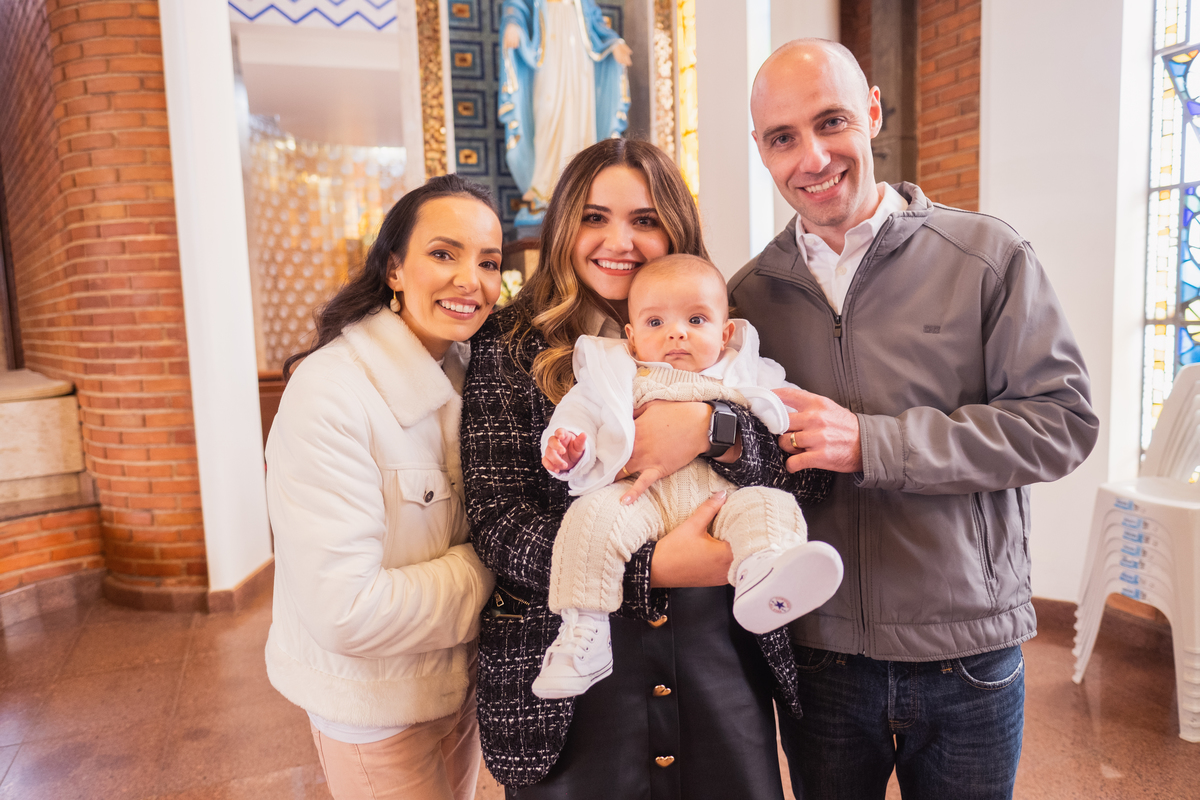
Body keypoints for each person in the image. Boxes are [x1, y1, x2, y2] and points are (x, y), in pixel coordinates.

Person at [730, 39, 1100, 800]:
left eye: (830, 122)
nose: (813, 157)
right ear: (762, 151)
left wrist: (875, 443)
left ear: (871, 112)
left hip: (968, 655)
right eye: (782, 138)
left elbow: (1062, 422)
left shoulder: (988, 256)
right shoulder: (748, 298)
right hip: (819, 652)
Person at [461, 137, 831, 798]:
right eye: (595, 217)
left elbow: (807, 472)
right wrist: (652, 569)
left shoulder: (722, 331)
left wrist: (711, 429)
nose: (619, 241)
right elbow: (499, 522)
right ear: (564, 226)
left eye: (645, 219)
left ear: (675, 229)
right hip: (573, 661)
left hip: (715, 650)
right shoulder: (512, 342)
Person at [263, 175, 501, 800]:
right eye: (443, 253)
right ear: (394, 268)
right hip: (376, 709)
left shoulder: (475, 370)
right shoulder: (331, 392)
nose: (469, 280)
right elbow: (345, 610)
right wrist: (499, 567)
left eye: (489, 262)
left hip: (460, 685)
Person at [532, 254, 843, 699]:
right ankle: (584, 631)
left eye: (696, 319)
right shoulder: (615, 373)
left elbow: (789, 420)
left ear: (725, 331)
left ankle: (762, 569)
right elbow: (577, 417)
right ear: (632, 336)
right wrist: (567, 448)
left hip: (723, 501)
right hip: (640, 496)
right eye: (655, 322)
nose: (676, 332)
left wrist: (775, 419)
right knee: (589, 520)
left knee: (771, 505)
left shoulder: (746, 370)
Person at [499, 0, 632, 222]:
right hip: (548, 58)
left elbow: (596, 23)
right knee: (548, 115)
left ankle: (582, 188)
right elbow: (516, 7)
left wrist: (614, 42)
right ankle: (543, 188)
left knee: (580, 120)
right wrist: (513, 25)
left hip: (580, 62)